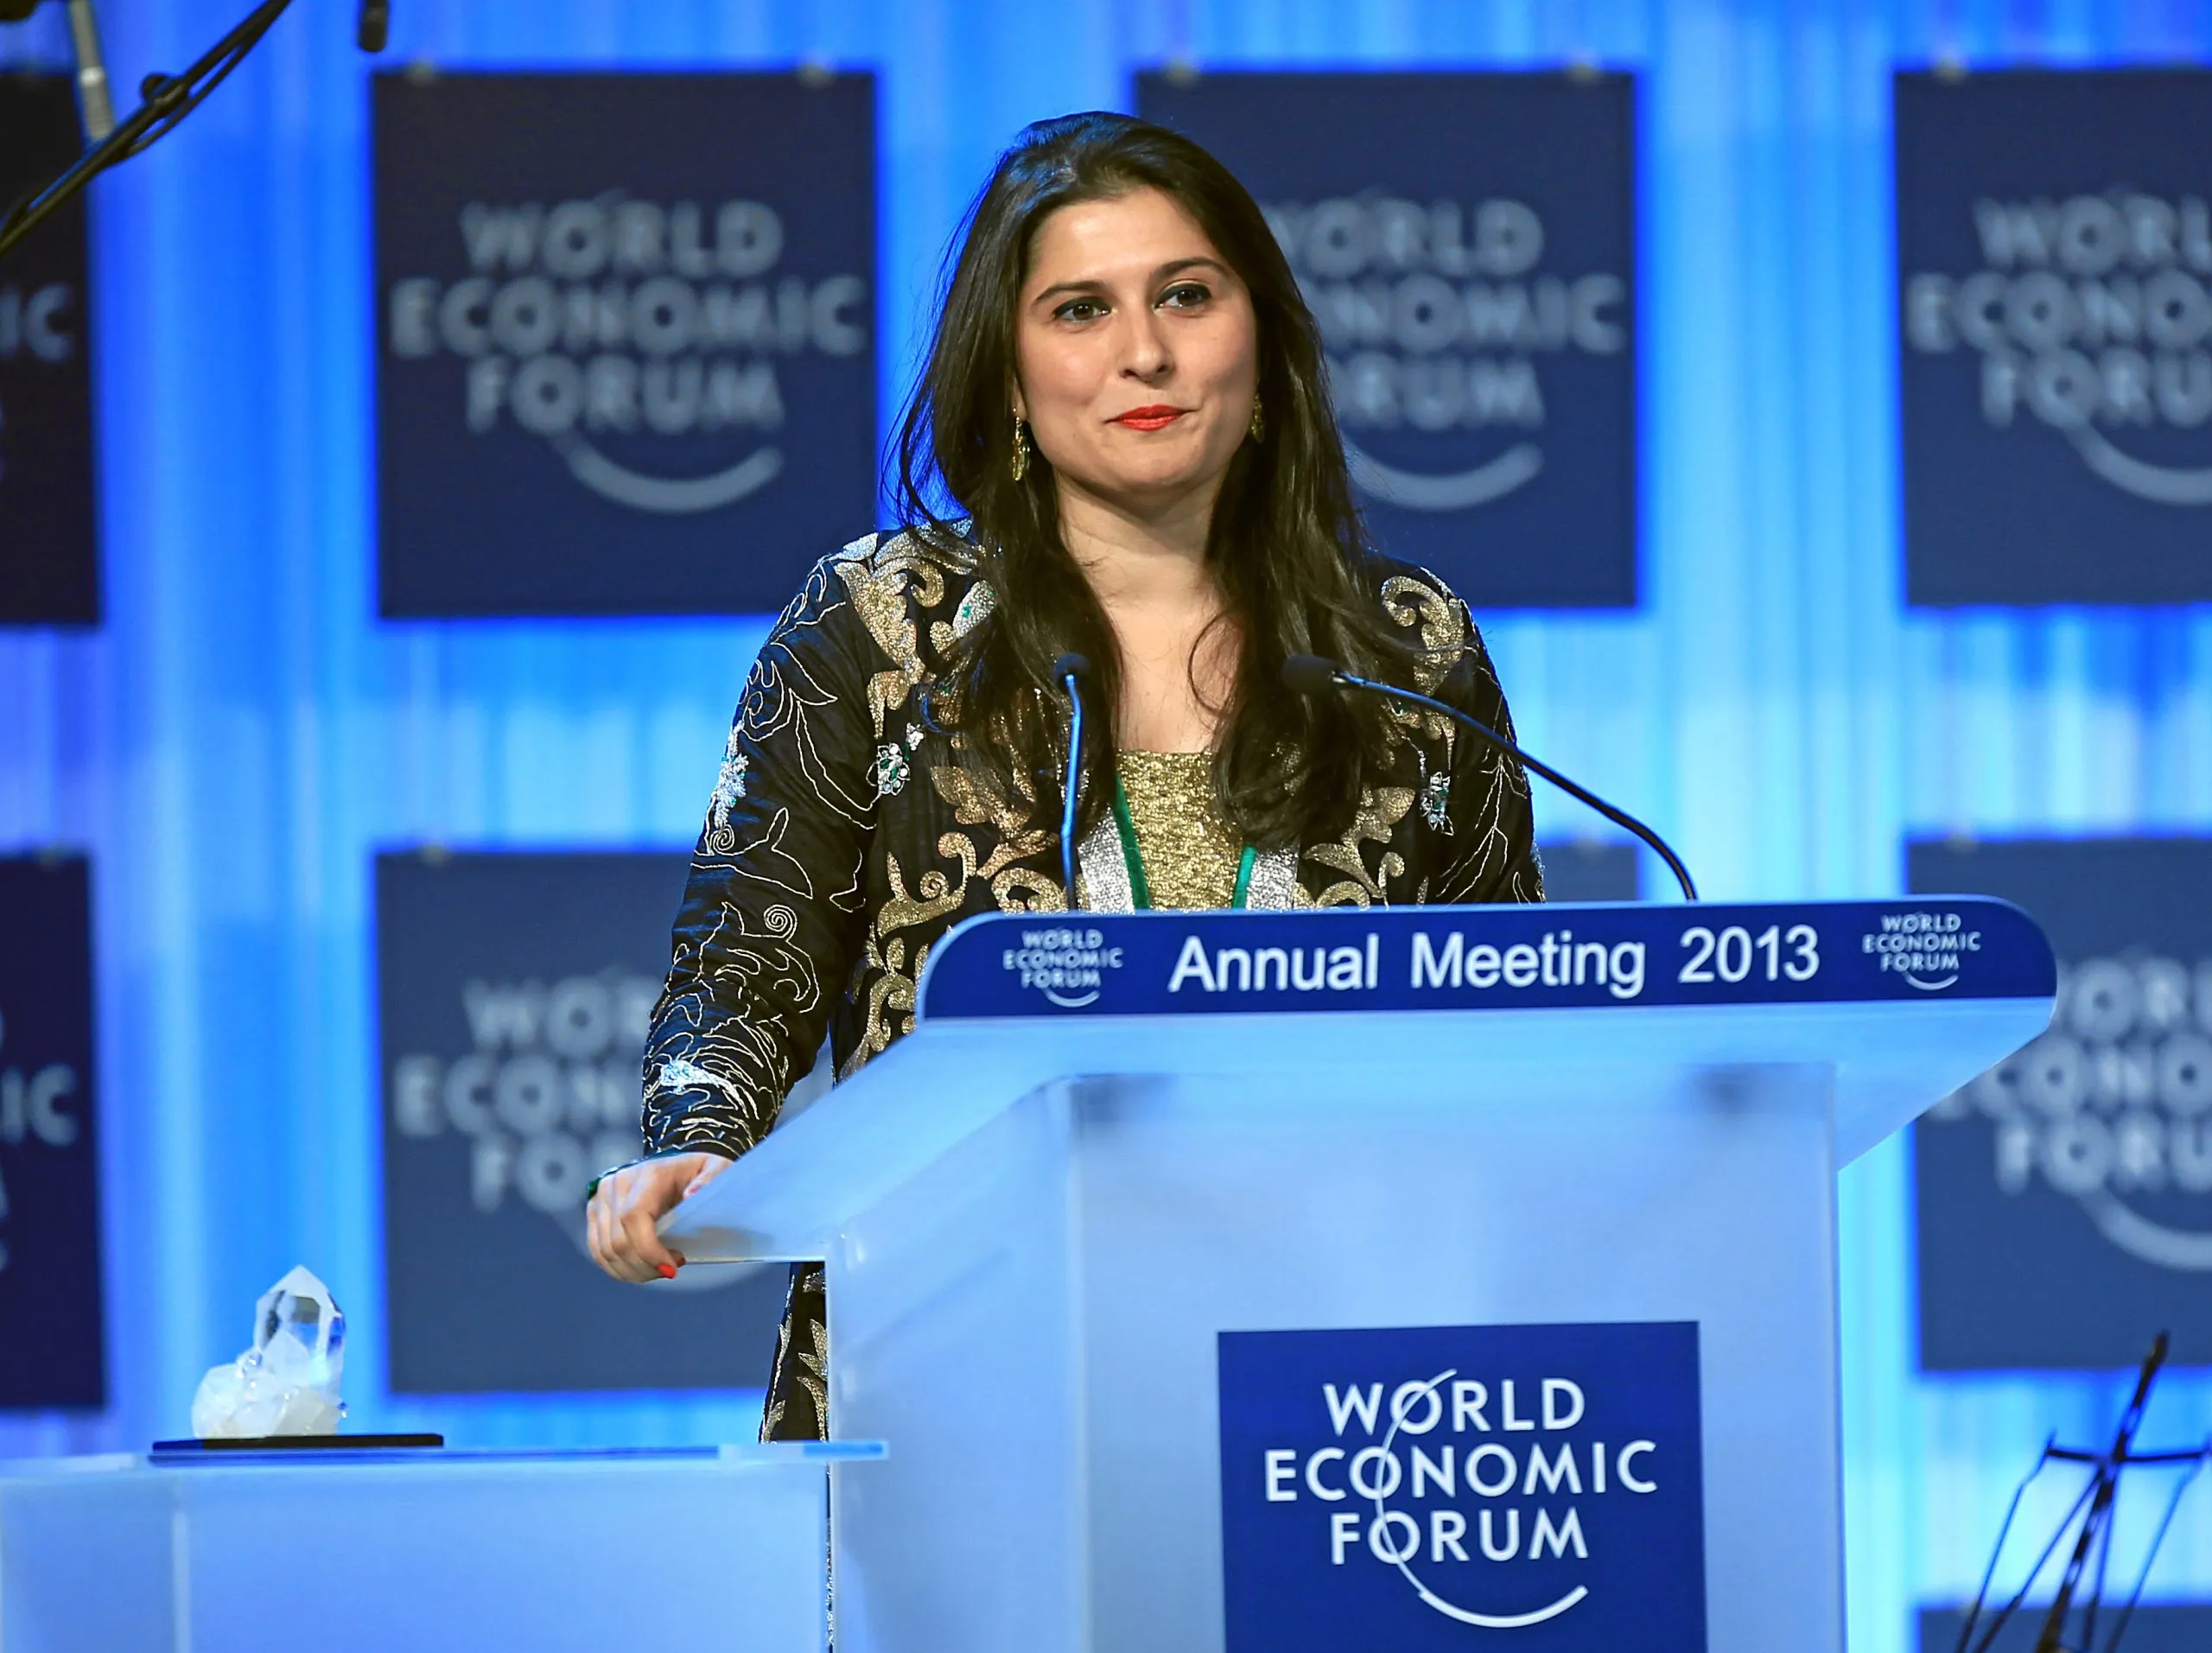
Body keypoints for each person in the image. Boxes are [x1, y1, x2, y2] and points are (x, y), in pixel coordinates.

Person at [586, 111, 1543, 1439]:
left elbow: (1508, 1002)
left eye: (1187, 296)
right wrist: (700, 1132)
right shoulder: (889, 624)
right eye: (1080, 309)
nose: (1143, 351)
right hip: (954, 1352)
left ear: (1260, 342)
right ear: (1013, 372)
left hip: (1328, 1376)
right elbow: (750, 957)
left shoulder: (1406, 646)